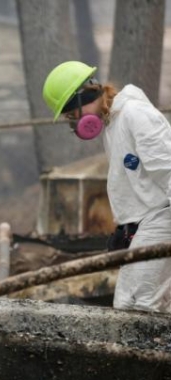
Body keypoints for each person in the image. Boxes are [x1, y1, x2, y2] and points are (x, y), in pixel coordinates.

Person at [43, 60, 171, 313]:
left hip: (161, 216)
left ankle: (148, 352)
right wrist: (126, 227)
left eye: (71, 116)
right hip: (144, 222)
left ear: (83, 98)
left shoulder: (136, 115)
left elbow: (167, 168)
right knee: (125, 304)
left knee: (143, 304)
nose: (73, 124)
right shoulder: (113, 124)